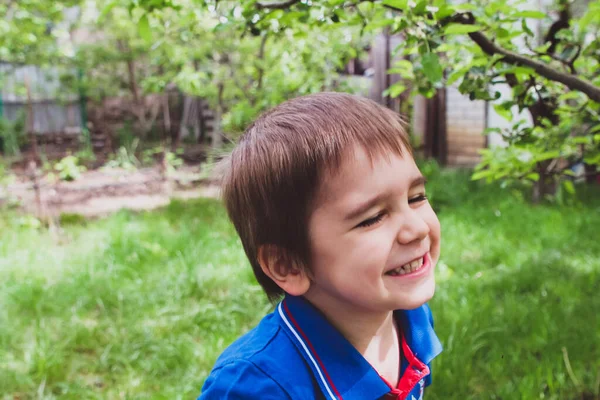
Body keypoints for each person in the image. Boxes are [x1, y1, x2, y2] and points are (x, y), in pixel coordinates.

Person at [199, 92, 443, 400]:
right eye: (372, 218)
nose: (417, 229)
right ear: (288, 265)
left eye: (416, 197)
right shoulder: (255, 387)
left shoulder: (411, 318)